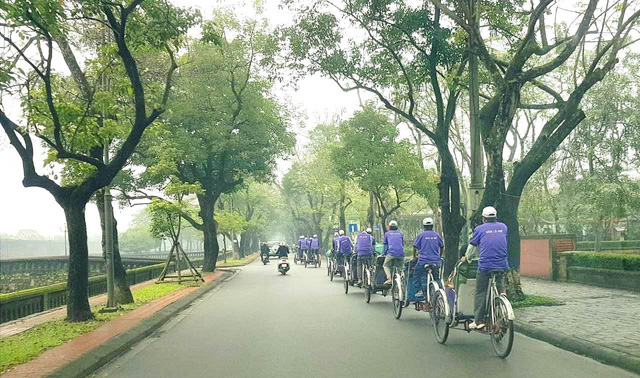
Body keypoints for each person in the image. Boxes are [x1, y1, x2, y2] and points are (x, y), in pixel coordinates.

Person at [460, 206, 508, 330]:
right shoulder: (503, 227)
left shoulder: (479, 229)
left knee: (480, 291)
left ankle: (478, 320)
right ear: (495, 217)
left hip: (485, 266)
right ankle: (502, 294)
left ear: (483, 219)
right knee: (499, 278)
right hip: (502, 264)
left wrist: (466, 258)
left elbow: (472, 247)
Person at [412, 217, 444, 299]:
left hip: (423, 261)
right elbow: (442, 247)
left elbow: (415, 247)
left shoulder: (421, 235)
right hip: (435, 261)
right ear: (432, 226)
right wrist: (439, 257)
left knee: (416, 274)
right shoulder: (437, 235)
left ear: (424, 226)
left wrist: (414, 257)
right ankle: (441, 292)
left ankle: (420, 290)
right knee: (436, 277)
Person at [382, 220, 404, 285]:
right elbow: (402, 244)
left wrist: (383, 254)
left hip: (391, 254)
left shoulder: (387, 234)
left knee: (385, 265)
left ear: (389, 227)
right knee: (400, 267)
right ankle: (400, 279)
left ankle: (389, 279)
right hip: (401, 254)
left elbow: (385, 246)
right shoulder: (400, 233)